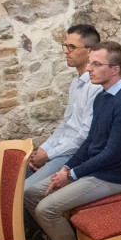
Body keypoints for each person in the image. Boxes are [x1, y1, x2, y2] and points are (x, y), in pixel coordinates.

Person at [25, 41, 121, 240]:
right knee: (31, 193)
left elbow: (112, 154)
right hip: (95, 169)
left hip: (114, 175)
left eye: (96, 64)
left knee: (46, 208)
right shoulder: (102, 97)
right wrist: (66, 168)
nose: (89, 68)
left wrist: (72, 174)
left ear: (115, 69)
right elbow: (90, 142)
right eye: (90, 63)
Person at [25, 24, 102, 198]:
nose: (66, 51)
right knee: (18, 178)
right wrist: (43, 149)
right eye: (65, 46)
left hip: (74, 154)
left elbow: (84, 135)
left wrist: (49, 155)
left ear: (89, 51)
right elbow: (66, 124)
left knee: (25, 191)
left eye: (72, 47)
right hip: (62, 149)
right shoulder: (76, 84)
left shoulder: (95, 87)